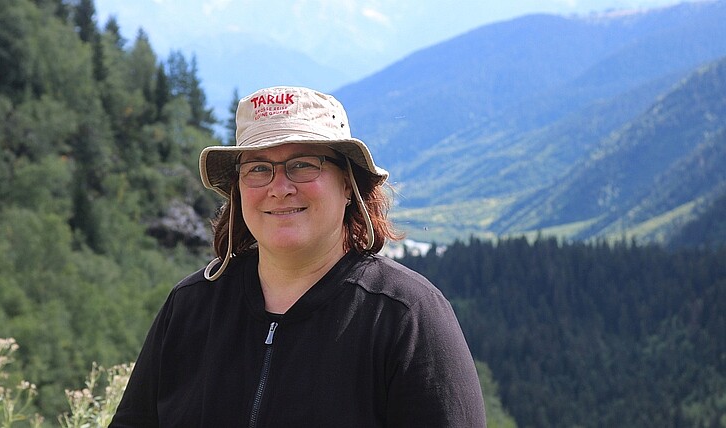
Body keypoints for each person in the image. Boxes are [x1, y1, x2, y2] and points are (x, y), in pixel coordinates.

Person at [110, 86, 486, 427]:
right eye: (258, 168)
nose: (280, 188)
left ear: (348, 184)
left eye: (303, 164)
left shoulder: (407, 316)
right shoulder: (191, 306)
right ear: (238, 192)